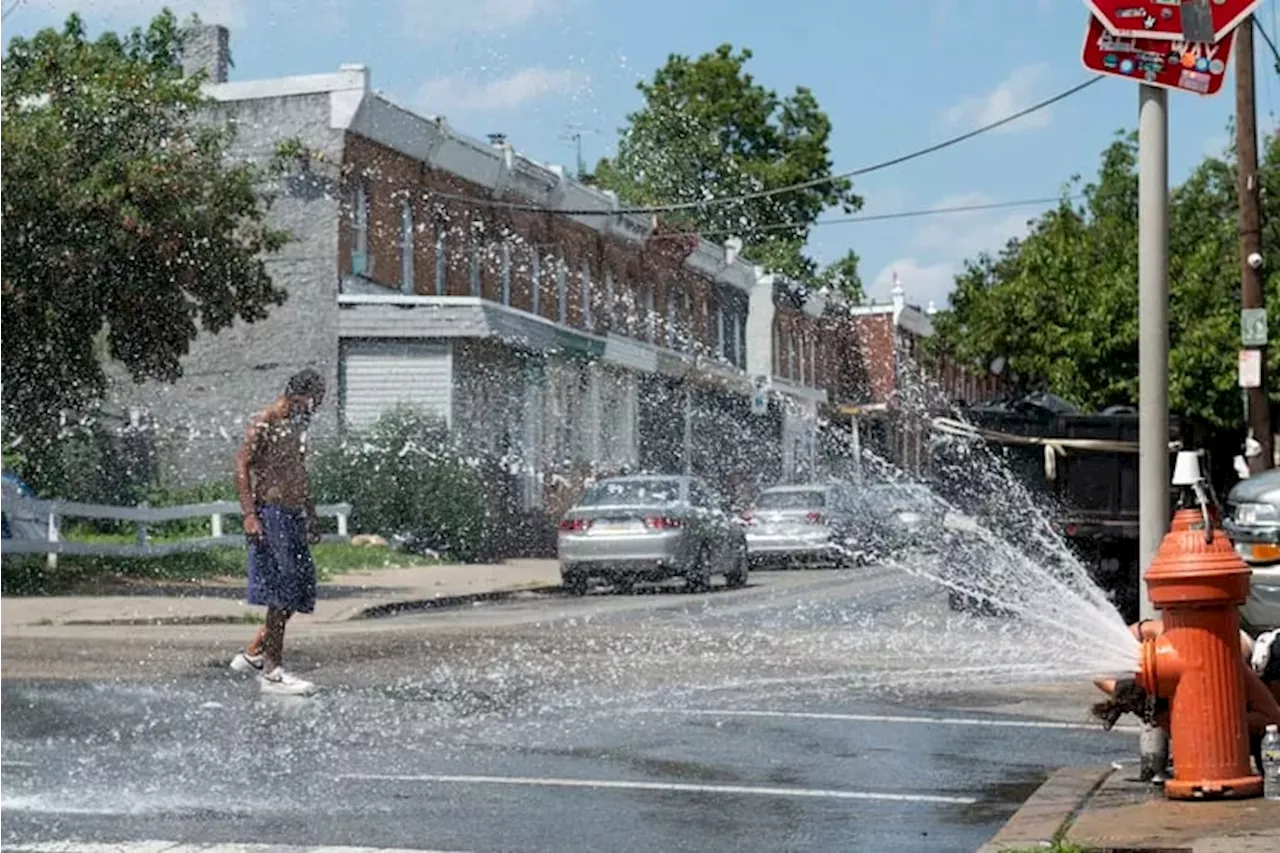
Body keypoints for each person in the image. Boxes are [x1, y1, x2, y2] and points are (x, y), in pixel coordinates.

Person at [228, 369, 326, 695]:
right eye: (314, 401)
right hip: (271, 515)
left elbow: (299, 473)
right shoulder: (266, 420)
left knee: (298, 589)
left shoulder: (297, 428)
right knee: (281, 591)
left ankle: (254, 652)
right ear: (298, 396)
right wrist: (249, 515)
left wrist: (311, 514)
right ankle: (272, 671)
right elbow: (241, 464)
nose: (316, 409)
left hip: (293, 516)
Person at [1092, 619, 1280, 770]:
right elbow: (1098, 670)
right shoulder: (1145, 694)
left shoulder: (1217, 655)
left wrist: (1210, 724)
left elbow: (1272, 717)